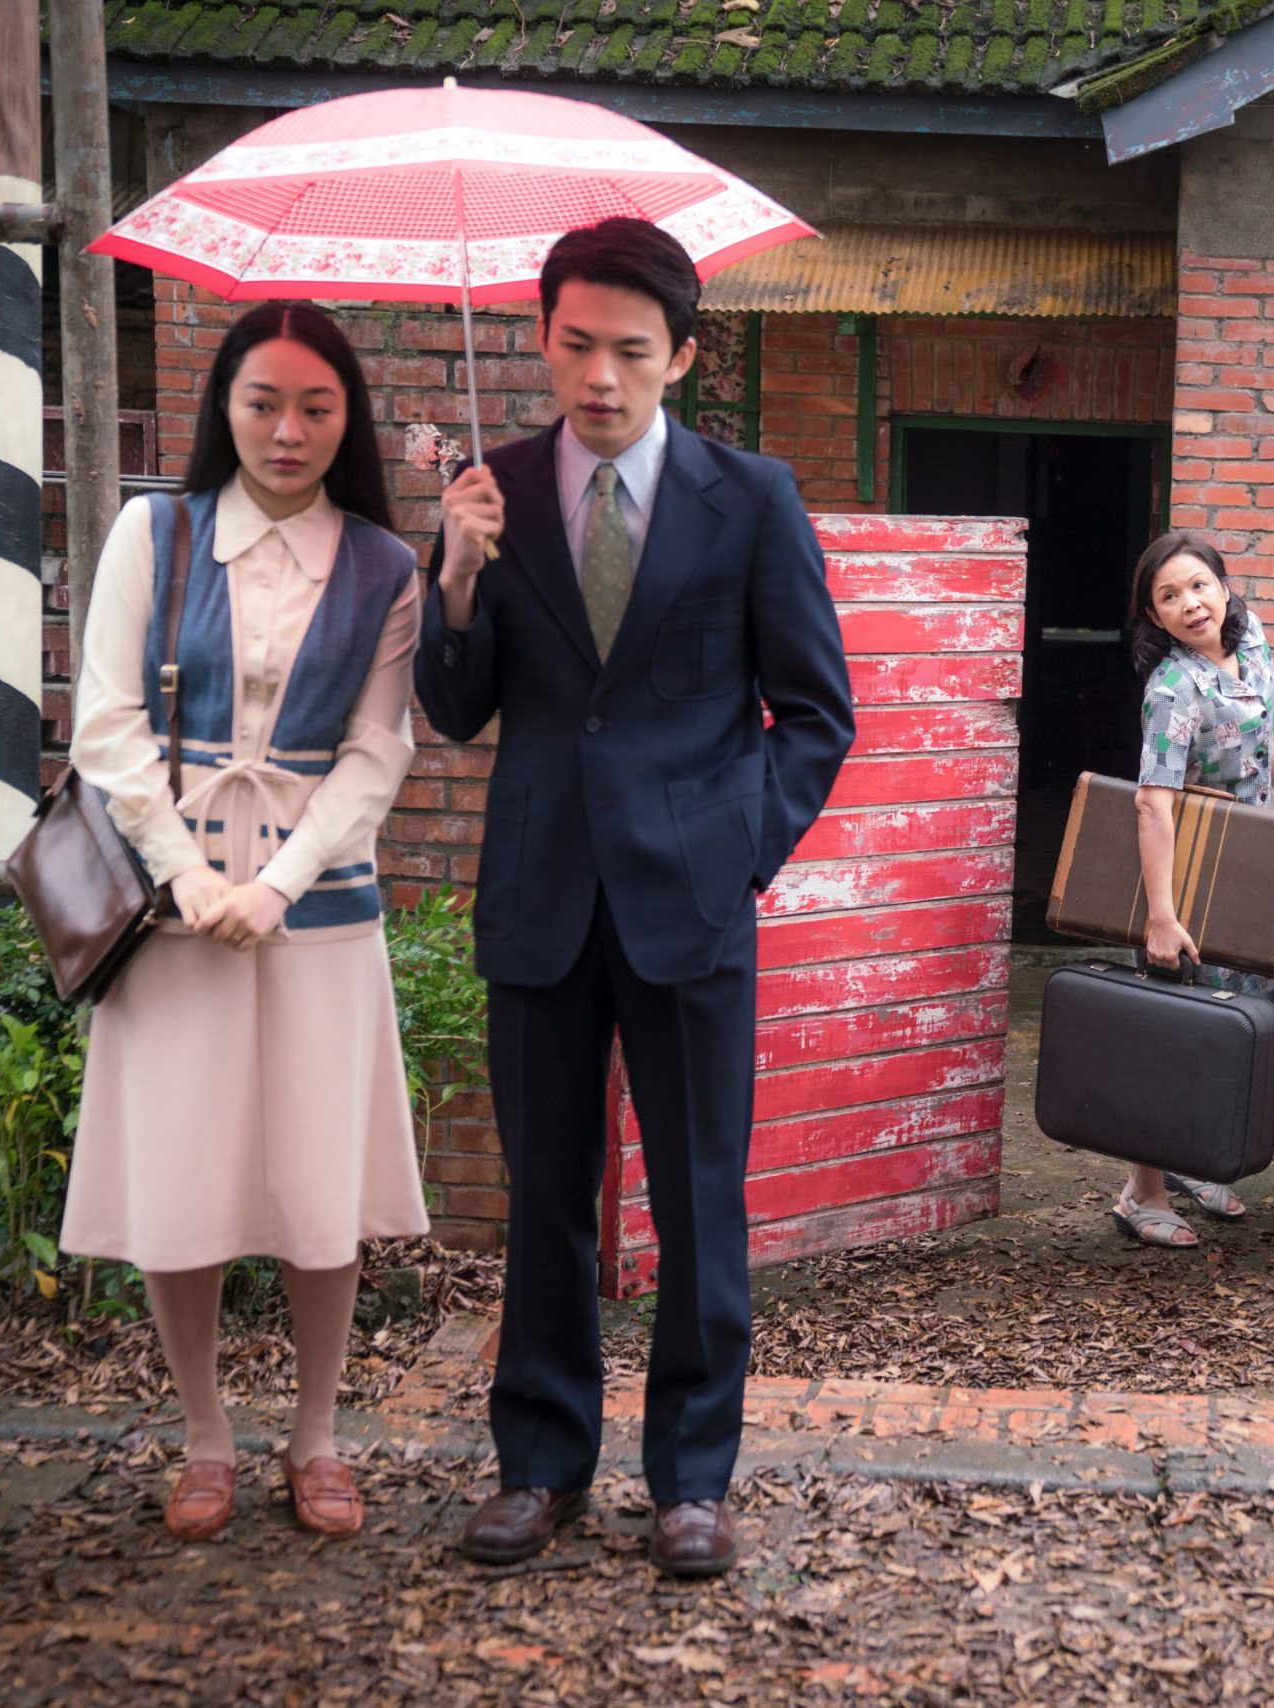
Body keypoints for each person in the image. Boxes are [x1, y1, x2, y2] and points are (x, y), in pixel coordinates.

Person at [416, 218, 855, 1579]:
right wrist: (456, 578)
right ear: (542, 339)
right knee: (545, 1195)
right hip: (540, 893)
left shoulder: (752, 498)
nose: (599, 376)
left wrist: (738, 853)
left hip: (691, 907)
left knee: (701, 1195)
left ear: (683, 355)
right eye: (575, 345)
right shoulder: (491, 492)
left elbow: (817, 712)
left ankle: (693, 1480)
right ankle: (540, 1463)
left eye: (629, 350)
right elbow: (456, 707)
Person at [61, 301, 427, 1542]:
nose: (287, 430)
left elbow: (377, 753)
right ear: (224, 406)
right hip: (173, 917)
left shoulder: (385, 567)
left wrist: (279, 882)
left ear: (346, 420)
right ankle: (206, 1433)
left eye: (316, 407)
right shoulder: (151, 534)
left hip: (320, 915)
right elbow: (106, 724)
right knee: (184, 1177)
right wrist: (184, 874)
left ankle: (317, 1436)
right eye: (263, 402)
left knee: (320, 1182)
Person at [1114, 531, 1274, 1250]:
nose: (1190, 603)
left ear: (1224, 587)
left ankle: (1196, 1160)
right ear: (1154, 615)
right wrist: (1161, 918)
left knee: (1234, 1020)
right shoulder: (1173, 689)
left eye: (1199, 585)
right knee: (1171, 1030)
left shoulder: (1251, 640)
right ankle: (1141, 1191)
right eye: (1169, 596)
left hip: (1247, 864)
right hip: (1186, 870)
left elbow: (1271, 735)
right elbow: (1152, 803)